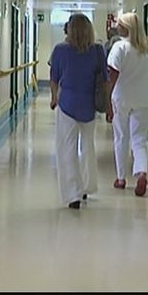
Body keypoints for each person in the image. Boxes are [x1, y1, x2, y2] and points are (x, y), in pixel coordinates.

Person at [50, 14, 108, 209]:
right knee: (88, 147)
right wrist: (108, 105)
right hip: (89, 105)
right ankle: (87, 186)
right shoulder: (98, 50)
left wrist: (53, 97)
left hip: (67, 105)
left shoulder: (60, 50)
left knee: (67, 149)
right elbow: (105, 80)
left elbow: (54, 79)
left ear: (69, 29)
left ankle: (72, 194)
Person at [106, 12, 148, 197]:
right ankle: (142, 173)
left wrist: (107, 101)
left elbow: (112, 75)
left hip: (121, 98)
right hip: (143, 98)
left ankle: (121, 178)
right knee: (139, 139)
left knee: (121, 138)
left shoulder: (119, 47)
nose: (117, 28)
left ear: (126, 28)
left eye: (120, 25)